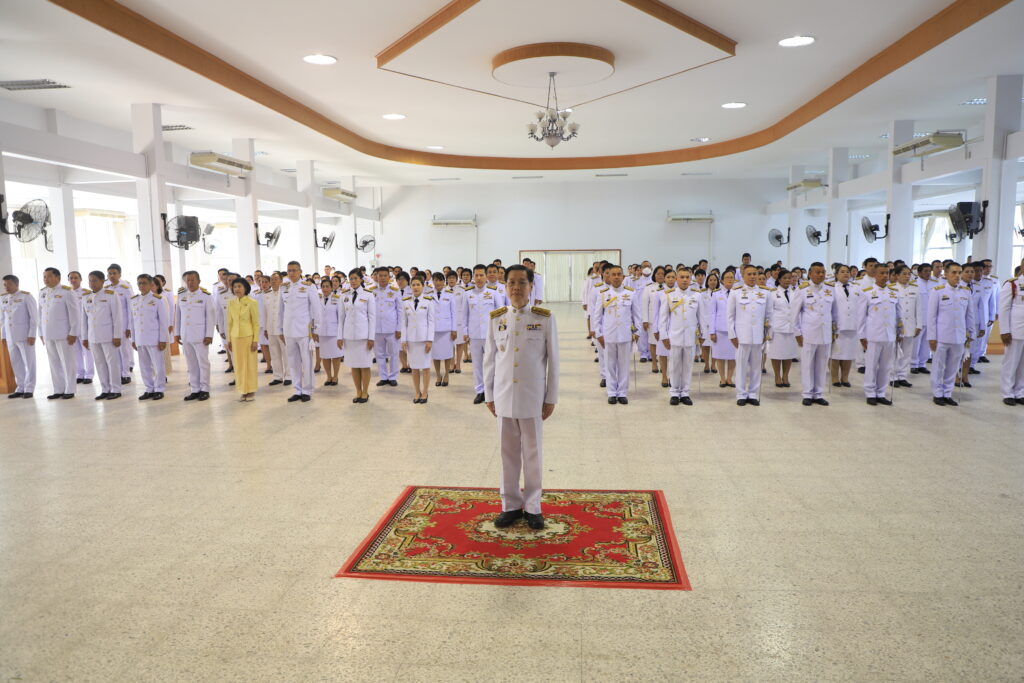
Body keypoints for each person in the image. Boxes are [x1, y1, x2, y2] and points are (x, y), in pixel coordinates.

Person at [484, 264, 559, 531]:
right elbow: (489, 359)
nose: (516, 288)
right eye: (511, 283)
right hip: (504, 395)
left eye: (522, 283)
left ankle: (533, 506)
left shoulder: (544, 318)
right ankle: (510, 505)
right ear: (505, 287)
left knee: (532, 453)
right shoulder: (496, 318)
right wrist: (489, 394)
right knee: (507, 454)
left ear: (531, 286)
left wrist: (551, 397)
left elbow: (554, 361)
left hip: (532, 396)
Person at [592, 264, 641, 405]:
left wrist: (637, 332)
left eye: (619, 274)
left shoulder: (631, 293)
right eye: (613, 274)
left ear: (623, 277)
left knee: (624, 365)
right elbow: (597, 317)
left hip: (625, 335)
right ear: (608, 276)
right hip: (608, 335)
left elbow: (637, 315)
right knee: (610, 365)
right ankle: (612, 392)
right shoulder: (603, 293)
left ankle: (622, 393)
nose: (616, 277)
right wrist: (599, 334)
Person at [927, 262, 974, 406]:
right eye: (954, 272)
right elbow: (931, 316)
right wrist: (932, 337)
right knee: (938, 367)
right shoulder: (937, 291)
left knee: (953, 367)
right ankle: (937, 393)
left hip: (959, 337)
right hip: (941, 336)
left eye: (959, 272)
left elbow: (970, 315)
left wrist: (970, 333)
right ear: (946, 274)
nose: (957, 276)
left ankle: (947, 393)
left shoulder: (966, 292)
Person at [728, 264, 773, 406]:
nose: (753, 276)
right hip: (741, 336)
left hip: (759, 336)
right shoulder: (735, 292)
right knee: (741, 366)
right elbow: (730, 316)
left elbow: (769, 315)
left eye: (755, 274)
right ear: (743, 276)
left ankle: (753, 393)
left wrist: (768, 335)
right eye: (749, 274)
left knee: (756, 367)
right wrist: (732, 335)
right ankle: (741, 394)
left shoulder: (766, 293)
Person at [278, 261, 323, 403]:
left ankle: (307, 390)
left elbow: (316, 309)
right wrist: (280, 329)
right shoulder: (283, 287)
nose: (291, 273)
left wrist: (316, 329)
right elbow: (280, 311)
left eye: (294, 270)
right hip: (289, 330)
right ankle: (297, 389)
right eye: (289, 270)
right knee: (293, 362)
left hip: (304, 330)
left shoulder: (308, 286)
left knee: (307, 361)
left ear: (300, 271)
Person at [857, 263, 901, 406]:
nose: (884, 276)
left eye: (887, 273)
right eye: (881, 273)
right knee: (871, 365)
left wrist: (899, 331)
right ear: (875, 275)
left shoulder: (894, 292)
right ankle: (870, 392)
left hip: (890, 335)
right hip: (873, 335)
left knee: (886, 366)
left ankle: (881, 392)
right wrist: (861, 335)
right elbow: (861, 316)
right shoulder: (867, 292)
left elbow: (898, 315)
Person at [38, 267, 81, 399]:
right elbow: (40, 313)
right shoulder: (42, 292)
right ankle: (58, 389)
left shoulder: (67, 292)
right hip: (48, 333)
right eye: (44, 277)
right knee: (54, 363)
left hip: (64, 334)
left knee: (68, 362)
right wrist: (41, 332)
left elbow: (75, 314)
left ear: (58, 277)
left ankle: (70, 389)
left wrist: (73, 332)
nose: (46, 279)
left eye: (49, 276)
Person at [659, 267, 700, 405]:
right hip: (674, 336)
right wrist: (664, 336)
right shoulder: (669, 295)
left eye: (687, 277)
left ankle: (685, 392)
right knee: (674, 365)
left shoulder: (696, 295)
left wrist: (703, 335)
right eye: (681, 277)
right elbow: (663, 318)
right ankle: (674, 392)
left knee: (688, 366)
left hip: (690, 337)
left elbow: (702, 317)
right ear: (676, 279)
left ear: (691, 279)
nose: (684, 280)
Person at [81, 271, 124, 400]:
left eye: (94, 280)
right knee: (99, 363)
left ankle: (116, 389)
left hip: (108, 336)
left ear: (102, 281)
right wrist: (85, 337)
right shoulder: (86, 297)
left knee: (112, 363)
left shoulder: (111, 295)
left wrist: (117, 335)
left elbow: (117, 317)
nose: (91, 283)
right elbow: (84, 320)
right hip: (93, 336)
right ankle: (105, 389)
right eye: (90, 280)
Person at [175, 271, 216, 401]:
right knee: (191, 364)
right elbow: (178, 316)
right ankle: (195, 389)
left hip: (200, 336)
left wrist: (209, 335)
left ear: (199, 281)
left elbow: (210, 317)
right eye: (188, 280)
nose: (190, 283)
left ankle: (205, 389)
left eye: (193, 280)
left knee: (203, 363)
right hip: (186, 335)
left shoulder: (206, 296)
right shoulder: (181, 295)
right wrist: (177, 333)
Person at [464, 264, 502, 404]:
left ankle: (491, 391)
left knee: (491, 363)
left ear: (486, 277)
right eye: (476, 275)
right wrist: (465, 332)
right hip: (474, 335)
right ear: (473, 277)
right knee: (477, 364)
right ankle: (480, 391)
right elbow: (464, 315)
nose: (479, 278)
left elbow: (500, 313)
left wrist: (499, 332)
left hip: (490, 335)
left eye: (481, 275)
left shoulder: (493, 292)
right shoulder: (468, 293)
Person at [339, 268, 376, 403]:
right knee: (354, 365)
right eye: (351, 279)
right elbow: (341, 318)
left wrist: (371, 337)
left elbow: (372, 318)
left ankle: (365, 392)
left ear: (361, 279)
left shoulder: (368, 295)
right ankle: (358, 391)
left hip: (363, 337)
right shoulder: (344, 295)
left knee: (365, 365)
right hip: (349, 336)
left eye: (355, 278)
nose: (353, 281)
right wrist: (339, 336)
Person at [129, 274, 169, 401]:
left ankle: (159, 389)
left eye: (144, 283)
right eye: (139, 283)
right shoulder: (134, 300)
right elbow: (132, 321)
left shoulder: (158, 299)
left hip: (154, 338)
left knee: (158, 365)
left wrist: (163, 339)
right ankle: (149, 388)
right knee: (144, 366)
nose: (141, 285)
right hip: (140, 339)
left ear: (150, 284)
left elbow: (163, 321)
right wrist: (133, 339)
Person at [1, 274, 37, 398]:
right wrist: (3, 336)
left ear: (16, 284)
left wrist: (32, 334)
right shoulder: (3, 298)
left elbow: (34, 317)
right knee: (16, 363)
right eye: (5, 284)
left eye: (9, 284)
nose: (6, 287)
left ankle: (29, 388)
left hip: (25, 336)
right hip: (10, 337)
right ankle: (20, 387)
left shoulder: (26, 296)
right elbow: (3, 319)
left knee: (29, 363)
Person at [400, 276, 435, 404]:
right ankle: (417, 391)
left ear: (423, 286)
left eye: (418, 284)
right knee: (414, 367)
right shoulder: (405, 302)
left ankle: (425, 392)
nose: (415, 287)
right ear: (410, 287)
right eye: (413, 285)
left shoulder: (428, 301)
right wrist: (403, 339)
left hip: (424, 339)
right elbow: (403, 322)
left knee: (425, 367)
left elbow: (431, 322)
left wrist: (430, 340)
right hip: (411, 340)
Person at [226, 277, 259, 402]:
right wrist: (229, 340)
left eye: (239, 286)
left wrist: (255, 340)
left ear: (245, 288)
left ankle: (251, 390)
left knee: (249, 364)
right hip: (235, 337)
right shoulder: (231, 303)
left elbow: (255, 323)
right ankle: (242, 390)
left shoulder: (252, 302)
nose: (237, 289)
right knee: (239, 365)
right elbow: (229, 322)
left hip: (248, 337)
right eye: (235, 287)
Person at [892, 265, 924, 388]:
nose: (907, 276)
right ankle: (893, 376)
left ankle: (902, 376)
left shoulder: (915, 289)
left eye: (908, 274)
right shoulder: (892, 289)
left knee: (907, 352)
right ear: (897, 275)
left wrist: (919, 325)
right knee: (895, 352)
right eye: (904, 274)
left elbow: (919, 309)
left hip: (910, 325)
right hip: (896, 326)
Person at [369, 266, 401, 387]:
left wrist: (399, 328)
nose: (382, 278)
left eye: (384, 275)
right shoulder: (371, 291)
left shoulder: (395, 290)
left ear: (389, 277)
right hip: (376, 328)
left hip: (391, 328)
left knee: (394, 354)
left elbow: (400, 311)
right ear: (376, 277)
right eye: (380, 275)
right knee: (379, 354)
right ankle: (383, 376)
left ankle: (393, 377)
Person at [999, 258, 1024, 406]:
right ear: (1022, 266)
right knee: (1011, 362)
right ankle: (1007, 392)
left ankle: (1020, 392)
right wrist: (1004, 330)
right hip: (1015, 330)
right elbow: (1004, 308)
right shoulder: (1012, 284)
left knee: (1023, 365)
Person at [105, 264, 134, 384]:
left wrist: (129, 327)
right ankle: (117, 373)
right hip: (109, 325)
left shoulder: (125, 288)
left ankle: (125, 373)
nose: (112, 276)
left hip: (123, 324)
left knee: (124, 350)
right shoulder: (105, 288)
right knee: (113, 351)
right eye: (110, 273)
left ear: (119, 274)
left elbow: (131, 308)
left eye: (114, 273)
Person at [259, 271, 289, 387]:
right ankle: (277, 376)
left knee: (286, 354)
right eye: (272, 279)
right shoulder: (267, 295)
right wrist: (265, 329)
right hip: (271, 329)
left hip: (283, 330)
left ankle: (289, 376)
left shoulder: (285, 294)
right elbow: (264, 313)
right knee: (274, 353)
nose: (273, 281)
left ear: (281, 281)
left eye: (276, 279)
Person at [767, 268, 796, 388]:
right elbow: (769, 312)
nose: (787, 280)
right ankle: (777, 376)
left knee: (788, 354)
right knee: (777, 354)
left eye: (789, 278)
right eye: (784, 278)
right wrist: (769, 330)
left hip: (791, 327)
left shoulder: (795, 292)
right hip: (777, 328)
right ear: (779, 280)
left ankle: (786, 376)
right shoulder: (772, 293)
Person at [831, 265, 858, 388]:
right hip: (838, 325)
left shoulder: (856, 288)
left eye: (847, 271)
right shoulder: (832, 288)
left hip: (852, 324)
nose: (845, 274)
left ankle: (845, 377)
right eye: (842, 272)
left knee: (848, 353)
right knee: (835, 353)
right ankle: (834, 377)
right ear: (836, 274)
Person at [708, 270, 736, 387]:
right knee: (720, 355)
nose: (729, 279)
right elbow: (712, 313)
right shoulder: (716, 294)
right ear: (722, 280)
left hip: (734, 330)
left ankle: (729, 378)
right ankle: (722, 378)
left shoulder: (737, 293)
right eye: (727, 277)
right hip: (720, 329)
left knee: (733, 356)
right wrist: (712, 331)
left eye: (731, 277)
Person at [430, 272, 457, 387]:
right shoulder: (428, 295)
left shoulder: (450, 295)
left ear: (443, 281)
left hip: (446, 329)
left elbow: (454, 313)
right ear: (433, 281)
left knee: (447, 354)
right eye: (435, 280)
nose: (438, 282)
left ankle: (446, 374)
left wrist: (454, 329)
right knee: (435, 354)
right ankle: (438, 375)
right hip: (433, 330)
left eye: (440, 280)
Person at [68, 270, 94, 386]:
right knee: (76, 352)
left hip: (84, 326)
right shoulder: (67, 293)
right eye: (71, 278)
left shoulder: (86, 293)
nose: (73, 280)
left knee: (87, 351)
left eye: (76, 278)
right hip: (72, 327)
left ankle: (89, 375)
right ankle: (80, 373)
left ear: (81, 279)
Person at [318, 278, 343, 387]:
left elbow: (341, 318)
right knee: (325, 356)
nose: (325, 289)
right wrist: (314, 331)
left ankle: (335, 376)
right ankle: (328, 376)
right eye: (323, 286)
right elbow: (315, 316)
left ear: (332, 287)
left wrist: (341, 335)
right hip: (322, 332)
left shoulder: (337, 299)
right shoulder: (318, 299)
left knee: (336, 356)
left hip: (334, 332)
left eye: (327, 286)